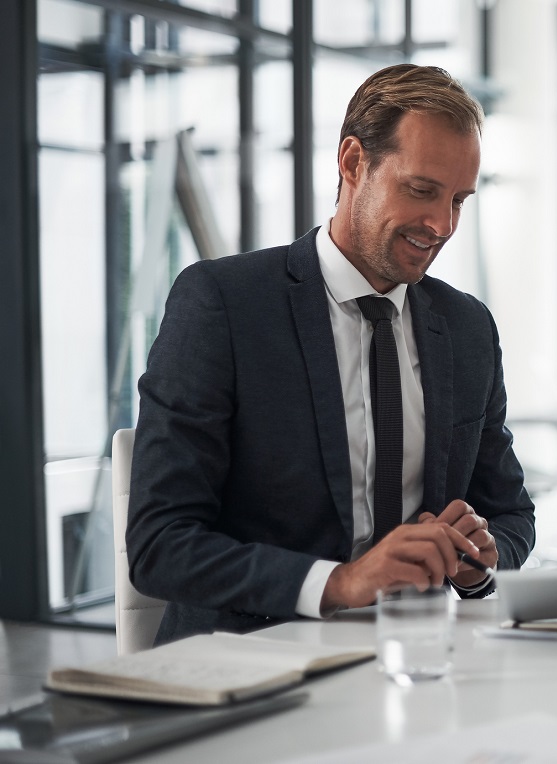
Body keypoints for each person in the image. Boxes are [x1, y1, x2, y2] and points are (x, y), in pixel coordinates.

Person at [127, 64, 535, 645]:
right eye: (421, 191)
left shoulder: (466, 326)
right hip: (252, 667)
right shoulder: (224, 303)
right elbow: (159, 543)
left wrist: (479, 564)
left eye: (458, 201)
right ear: (352, 163)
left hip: (420, 664)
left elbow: (512, 514)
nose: (442, 225)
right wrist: (339, 583)